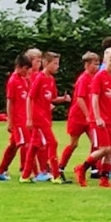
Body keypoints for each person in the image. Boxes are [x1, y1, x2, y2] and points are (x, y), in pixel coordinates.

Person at [74, 45, 111, 189]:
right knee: (104, 149)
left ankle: (105, 180)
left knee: (110, 149)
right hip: (99, 120)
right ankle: (82, 168)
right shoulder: (99, 77)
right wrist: (97, 117)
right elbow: (94, 98)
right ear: (105, 60)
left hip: (110, 120)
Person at [20, 51, 70, 183]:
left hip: (46, 117)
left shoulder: (51, 79)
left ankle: (25, 175)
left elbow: (51, 98)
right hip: (39, 118)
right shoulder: (39, 78)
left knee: (34, 146)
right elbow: (30, 98)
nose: (57, 66)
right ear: (46, 63)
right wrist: (29, 118)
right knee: (52, 143)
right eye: (55, 64)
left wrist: (63, 99)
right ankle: (56, 175)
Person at [0, 53, 32, 180]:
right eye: (26, 69)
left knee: (13, 147)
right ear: (19, 67)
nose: (27, 72)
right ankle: (26, 173)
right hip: (17, 120)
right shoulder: (13, 81)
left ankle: (0, 172)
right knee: (26, 144)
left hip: (24, 118)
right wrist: (10, 121)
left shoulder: (25, 80)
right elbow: (10, 102)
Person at [59, 51, 99, 174]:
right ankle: (61, 167)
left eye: (98, 64)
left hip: (90, 117)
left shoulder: (95, 78)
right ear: (87, 64)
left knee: (96, 142)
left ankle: (93, 168)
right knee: (74, 144)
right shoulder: (83, 79)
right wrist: (87, 114)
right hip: (77, 117)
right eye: (95, 64)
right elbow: (80, 99)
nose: (97, 66)